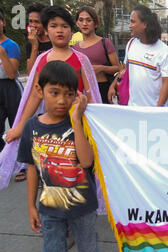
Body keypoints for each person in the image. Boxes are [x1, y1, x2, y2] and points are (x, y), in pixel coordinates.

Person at [17, 60, 103, 252]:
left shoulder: (81, 123)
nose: (62, 100)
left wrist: (77, 120)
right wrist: (31, 206)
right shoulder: (31, 127)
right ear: (39, 90)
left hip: (82, 206)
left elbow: (86, 162)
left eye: (68, 94)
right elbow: (31, 167)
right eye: (54, 93)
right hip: (49, 207)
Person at [0, 5, 101, 191]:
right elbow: (34, 96)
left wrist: (96, 126)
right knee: (54, 178)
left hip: (78, 126)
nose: (60, 30)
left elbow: (92, 95)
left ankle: (81, 214)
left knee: (82, 173)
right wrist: (19, 128)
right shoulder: (42, 60)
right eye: (54, 26)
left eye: (64, 26)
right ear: (46, 30)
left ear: (72, 31)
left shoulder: (81, 60)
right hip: (51, 130)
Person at [108, 5, 168, 107]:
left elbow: (166, 84)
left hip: (154, 111)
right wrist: (112, 86)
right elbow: (124, 71)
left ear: (144, 24)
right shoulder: (131, 43)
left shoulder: (165, 52)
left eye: (133, 21)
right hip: (133, 109)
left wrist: (157, 110)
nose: (129, 25)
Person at [74, 6, 119, 104]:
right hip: (83, 91)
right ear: (77, 23)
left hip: (103, 88)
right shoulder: (75, 48)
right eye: (81, 20)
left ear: (95, 23)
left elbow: (118, 69)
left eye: (88, 20)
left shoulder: (105, 43)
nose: (84, 23)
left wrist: (101, 68)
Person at [0, 10, 23, 156]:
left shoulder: (11, 45)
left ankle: (22, 164)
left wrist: (2, 52)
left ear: (4, 23)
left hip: (10, 89)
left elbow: (11, 73)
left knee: (17, 126)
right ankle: (4, 159)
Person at [26, 3, 52, 75]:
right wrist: (34, 46)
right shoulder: (30, 44)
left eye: (37, 22)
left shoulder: (54, 42)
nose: (33, 25)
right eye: (30, 21)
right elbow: (30, 73)